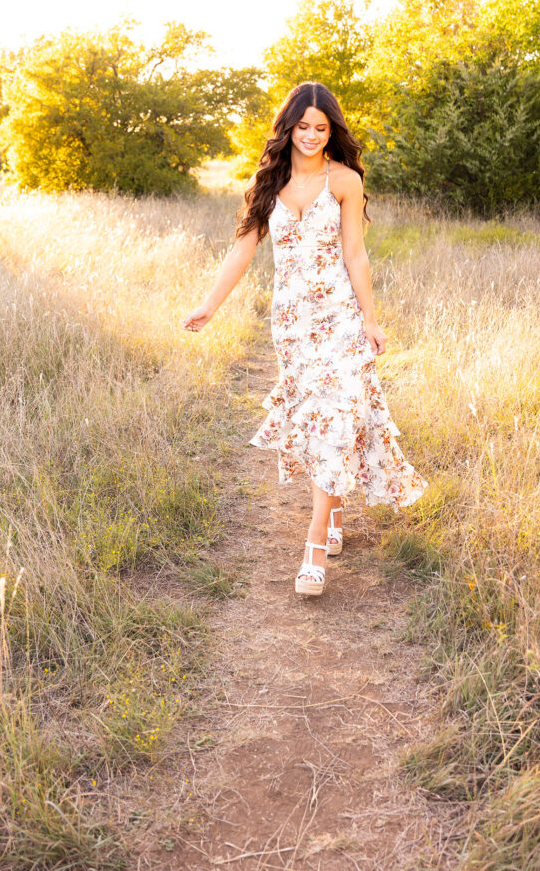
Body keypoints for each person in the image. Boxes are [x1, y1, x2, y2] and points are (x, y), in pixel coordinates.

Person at [183, 81, 427, 596]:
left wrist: (371, 319)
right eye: (303, 127)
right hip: (292, 324)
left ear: (331, 130)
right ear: (288, 128)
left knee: (338, 414)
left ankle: (315, 543)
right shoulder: (269, 180)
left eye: (321, 128)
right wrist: (209, 306)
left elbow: (356, 254)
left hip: (339, 319)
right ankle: (332, 509)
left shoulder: (345, 181)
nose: (312, 136)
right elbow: (242, 250)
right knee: (317, 418)